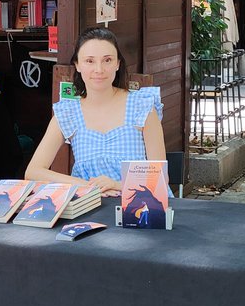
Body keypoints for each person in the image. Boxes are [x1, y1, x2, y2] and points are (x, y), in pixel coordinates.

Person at [25, 27, 165, 196]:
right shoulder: (68, 112)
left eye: (107, 60)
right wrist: (86, 185)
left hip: (141, 207)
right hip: (88, 207)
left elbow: (160, 177)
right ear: (77, 65)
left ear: (118, 64)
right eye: (89, 61)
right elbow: (33, 172)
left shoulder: (142, 106)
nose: (99, 69)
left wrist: (116, 184)